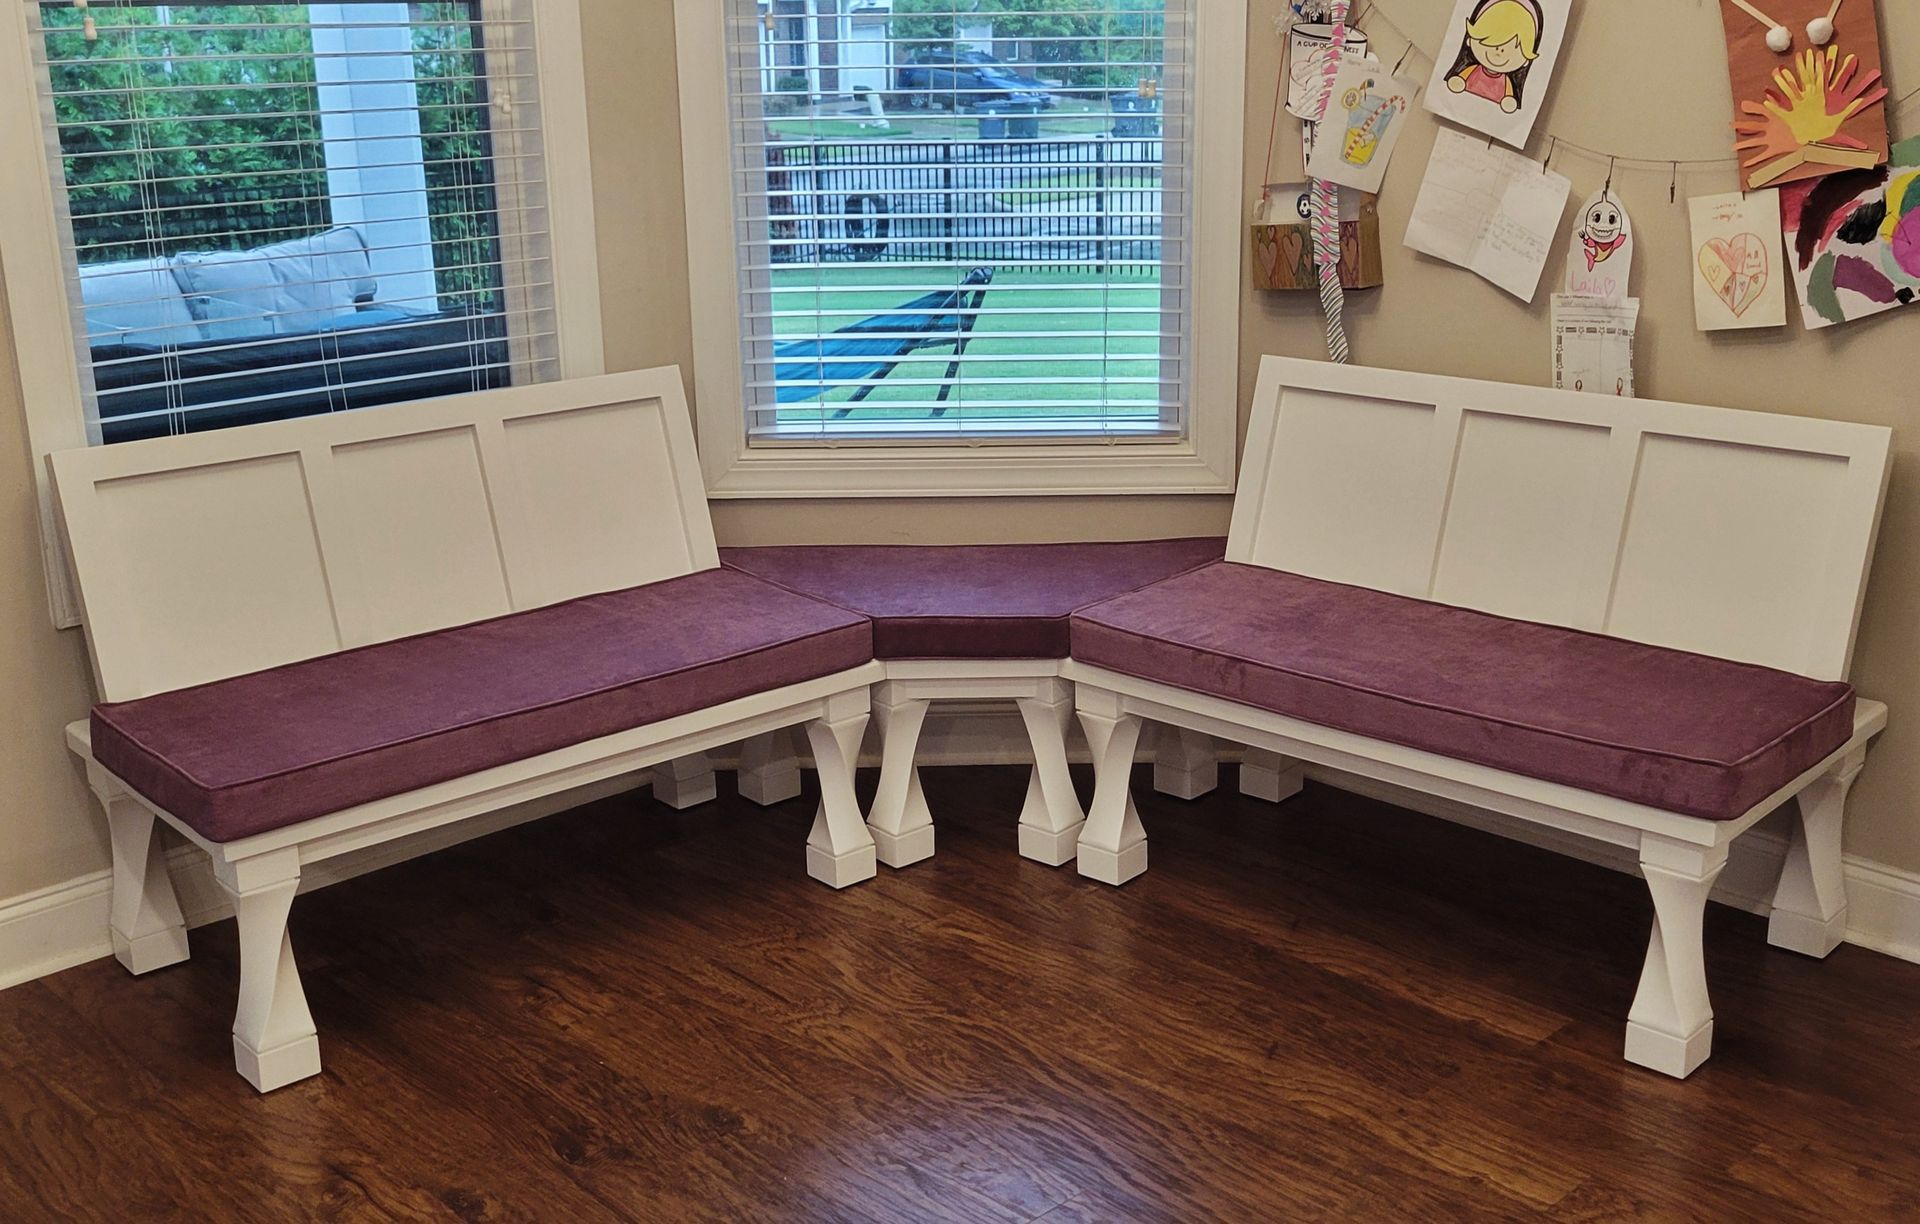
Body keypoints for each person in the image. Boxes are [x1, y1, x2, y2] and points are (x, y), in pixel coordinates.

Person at [1445, 0, 1542, 114]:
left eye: (1514, 46)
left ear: (1526, 60)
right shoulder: (1473, 70)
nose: (1499, 50)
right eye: (1491, 41)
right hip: (1458, 108)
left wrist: (1509, 102)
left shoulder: (1505, 82)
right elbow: (1459, 80)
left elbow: (1509, 99)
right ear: (1470, 40)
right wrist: (1458, 82)